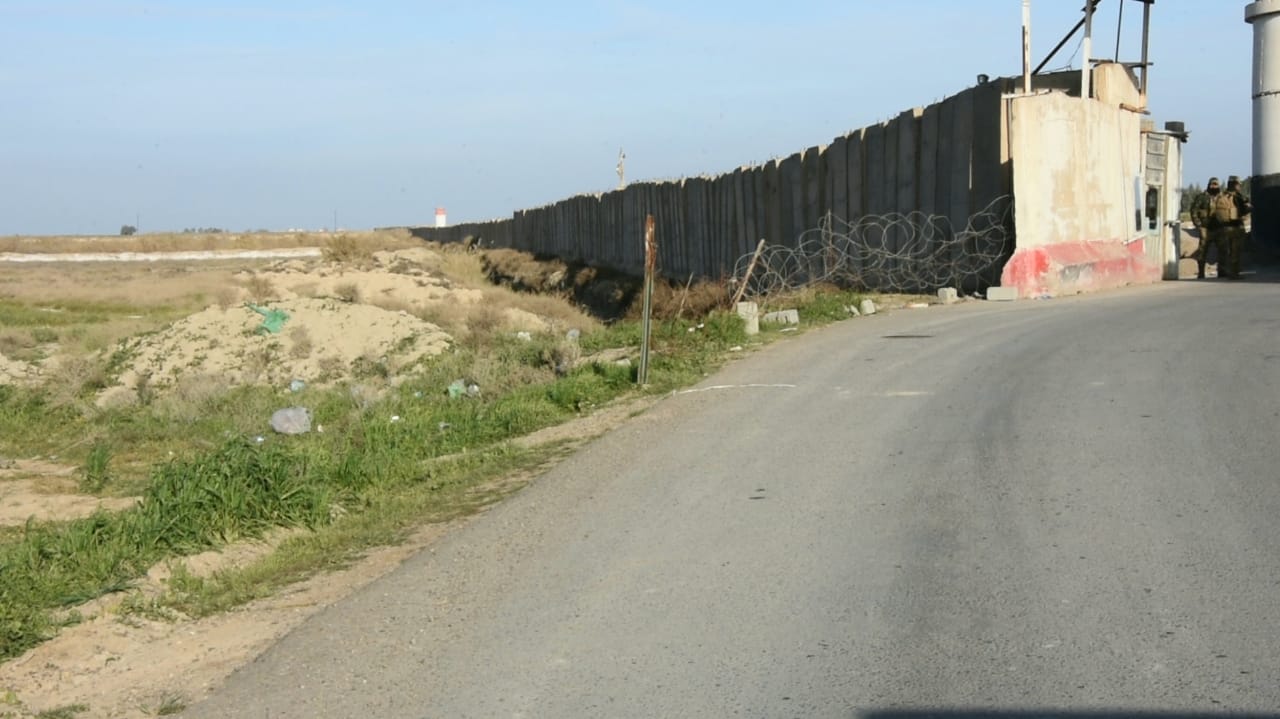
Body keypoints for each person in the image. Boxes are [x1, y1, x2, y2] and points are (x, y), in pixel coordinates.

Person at [1191, 177, 1232, 279]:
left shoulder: (1223, 197)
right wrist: (1198, 225)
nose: (1214, 186)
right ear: (1208, 185)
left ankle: (1222, 271)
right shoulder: (1202, 197)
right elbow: (1194, 210)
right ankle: (1201, 272)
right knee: (1202, 251)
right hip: (1205, 228)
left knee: (1223, 250)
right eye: (1212, 185)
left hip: (1219, 228)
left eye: (1215, 184)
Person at [1223, 175, 1253, 279]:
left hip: (1225, 227)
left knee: (1229, 250)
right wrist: (1248, 208)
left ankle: (1228, 271)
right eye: (1239, 185)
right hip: (1236, 226)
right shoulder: (1238, 196)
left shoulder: (1223, 195)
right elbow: (1243, 210)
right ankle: (1234, 273)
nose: (1240, 186)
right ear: (1235, 185)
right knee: (1236, 250)